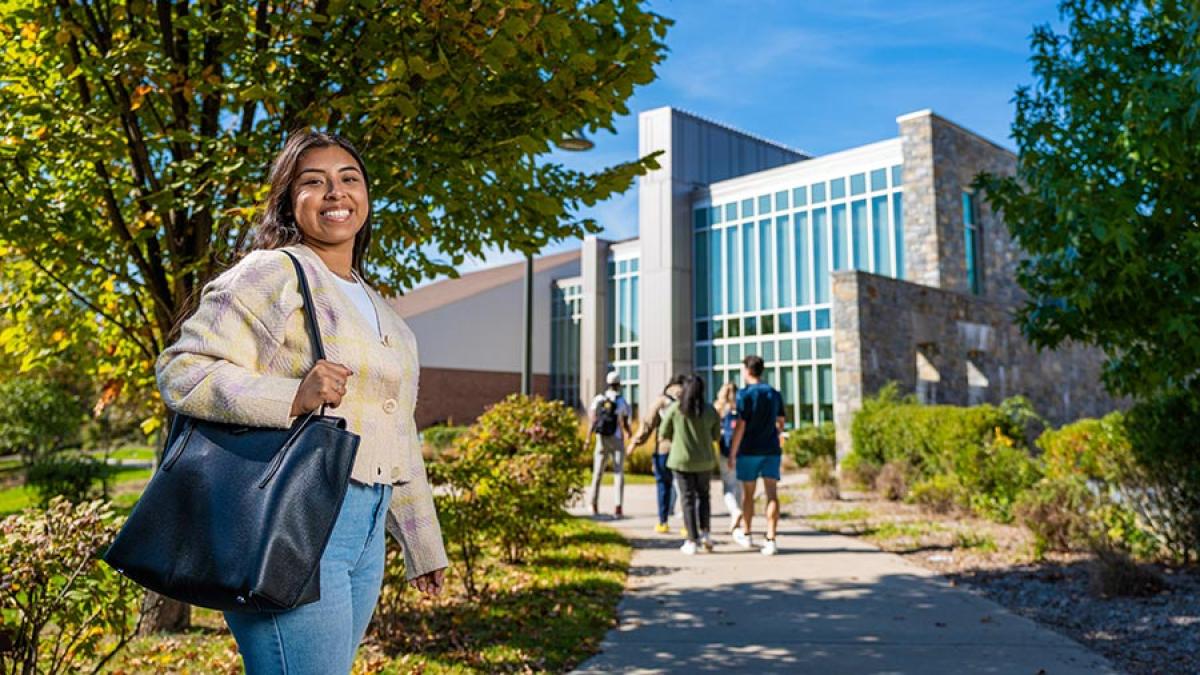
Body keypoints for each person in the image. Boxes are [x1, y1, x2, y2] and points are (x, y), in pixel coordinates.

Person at [157, 132, 448, 674]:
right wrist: (290, 395)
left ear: (366, 197)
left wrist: (421, 544)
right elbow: (183, 371)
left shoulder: (388, 317)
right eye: (313, 181)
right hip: (291, 519)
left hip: (365, 528)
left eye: (349, 179)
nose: (335, 192)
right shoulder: (272, 273)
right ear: (290, 200)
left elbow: (398, 435)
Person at [728, 355, 785, 556]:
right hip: (770, 449)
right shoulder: (774, 393)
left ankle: (748, 532)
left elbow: (741, 425)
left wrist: (732, 453)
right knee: (772, 494)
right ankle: (771, 539)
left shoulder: (744, 395)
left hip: (749, 449)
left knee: (748, 495)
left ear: (747, 370)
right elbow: (780, 421)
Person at [658, 374, 720, 555]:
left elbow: (663, 433)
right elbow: (716, 436)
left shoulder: (676, 409)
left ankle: (692, 540)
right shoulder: (710, 410)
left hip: (681, 460)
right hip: (705, 460)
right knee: (704, 497)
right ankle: (706, 533)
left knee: (687, 500)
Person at [628, 374, 685, 533]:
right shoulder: (689, 399)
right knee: (684, 487)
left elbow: (647, 423)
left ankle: (663, 522)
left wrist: (635, 443)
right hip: (684, 450)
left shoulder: (662, 400)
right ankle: (687, 524)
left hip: (664, 449)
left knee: (663, 485)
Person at [587, 370, 633, 517]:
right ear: (619, 384)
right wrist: (629, 433)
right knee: (618, 473)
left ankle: (593, 504)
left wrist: (588, 437)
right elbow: (625, 422)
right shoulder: (621, 401)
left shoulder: (599, 399)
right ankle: (618, 507)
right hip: (617, 439)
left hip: (601, 439)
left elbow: (593, 420)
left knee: (597, 472)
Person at [714, 381, 744, 534]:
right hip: (742, 451)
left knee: (728, 486)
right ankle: (738, 518)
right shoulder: (740, 408)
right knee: (739, 486)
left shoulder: (718, 409)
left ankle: (735, 511)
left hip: (725, 452)